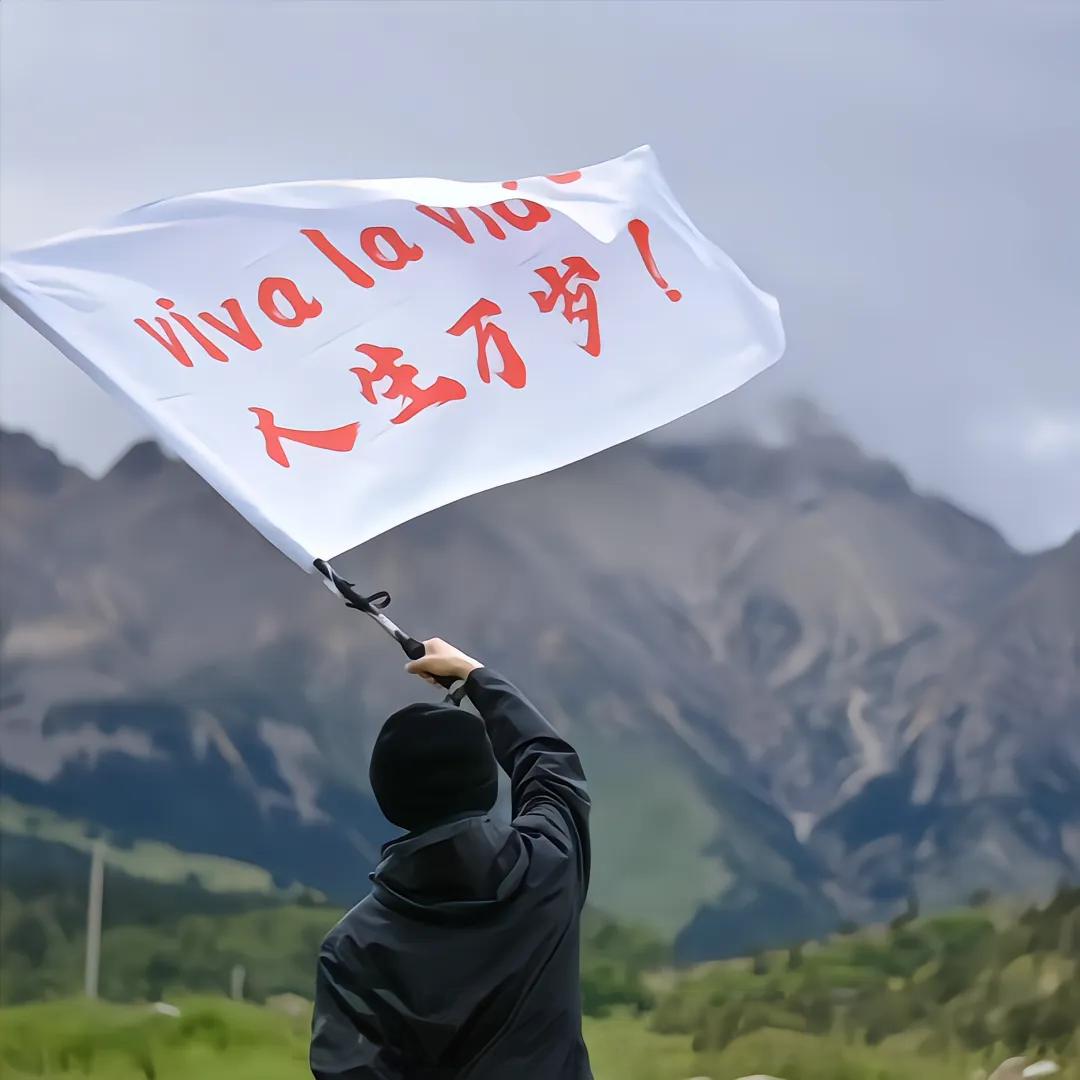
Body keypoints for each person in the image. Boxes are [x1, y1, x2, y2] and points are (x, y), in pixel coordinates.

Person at [310, 638, 592, 1080]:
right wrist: (475, 675)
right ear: (488, 785)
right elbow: (550, 764)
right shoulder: (550, 863)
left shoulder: (353, 948)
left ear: (388, 799)